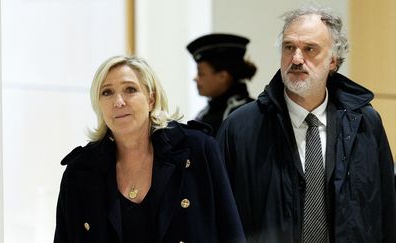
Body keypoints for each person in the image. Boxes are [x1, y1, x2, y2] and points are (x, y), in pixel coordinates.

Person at [217, 5, 396, 243]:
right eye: (289, 47)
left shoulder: (365, 123)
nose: (297, 59)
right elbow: (217, 216)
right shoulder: (239, 128)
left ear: (333, 60)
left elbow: (387, 211)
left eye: (310, 49)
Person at [54, 55, 246, 243]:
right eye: (107, 92)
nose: (118, 101)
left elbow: (231, 232)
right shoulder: (80, 171)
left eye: (130, 89)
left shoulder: (198, 149)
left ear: (151, 99)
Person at [187, 33, 257, 136]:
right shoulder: (204, 114)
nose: (195, 78)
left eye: (201, 73)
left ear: (222, 76)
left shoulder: (248, 114)